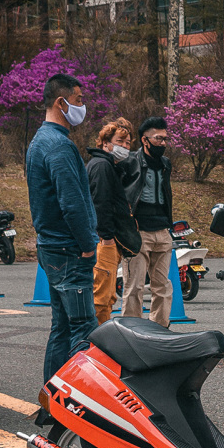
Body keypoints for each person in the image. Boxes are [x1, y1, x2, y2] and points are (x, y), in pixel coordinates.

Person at [25, 73, 99, 383]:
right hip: (69, 250)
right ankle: (80, 399)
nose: (83, 107)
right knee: (83, 328)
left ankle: (52, 398)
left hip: (51, 246)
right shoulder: (59, 146)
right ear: (61, 102)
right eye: (79, 100)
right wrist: (87, 244)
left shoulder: (38, 141)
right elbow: (72, 203)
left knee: (62, 326)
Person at [122, 116, 174, 327]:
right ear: (145, 140)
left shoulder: (165, 164)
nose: (163, 143)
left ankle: (160, 330)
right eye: (158, 138)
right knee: (134, 286)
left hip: (162, 230)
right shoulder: (130, 161)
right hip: (138, 231)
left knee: (163, 287)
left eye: (165, 139)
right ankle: (131, 331)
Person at [85, 118, 134, 324]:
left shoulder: (109, 166)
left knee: (108, 296)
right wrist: (107, 237)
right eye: (119, 141)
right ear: (105, 143)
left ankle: (98, 336)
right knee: (101, 298)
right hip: (104, 241)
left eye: (128, 143)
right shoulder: (102, 166)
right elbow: (101, 203)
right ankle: (94, 339)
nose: (124, 146)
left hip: (108, 239)